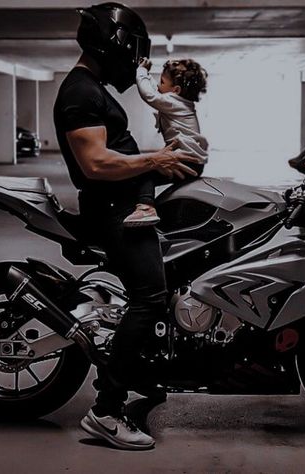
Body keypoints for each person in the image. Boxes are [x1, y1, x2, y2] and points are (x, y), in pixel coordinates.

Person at [53, 2, 200, 450]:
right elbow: (95, 163)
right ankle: (106, 410)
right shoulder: (80, 92)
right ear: (113, 43)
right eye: (133, 50)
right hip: (113, 209)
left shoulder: (92, 87)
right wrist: (155, 159)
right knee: (150, 297)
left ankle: (142, 374)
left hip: (122, 200)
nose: (136, 61)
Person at [123, 57, 209, 227]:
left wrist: (142, 72)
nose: (157, 84)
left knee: (144, 172)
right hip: (192, 162)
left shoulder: (173, 102)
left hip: (185, 160)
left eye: (162, 81)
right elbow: (155, 91)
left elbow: (149, 95)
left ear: (176, 90)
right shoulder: (182, 103)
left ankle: (146, 208)